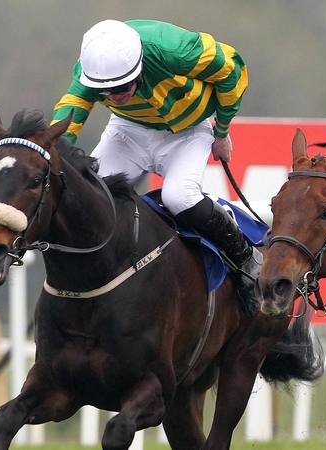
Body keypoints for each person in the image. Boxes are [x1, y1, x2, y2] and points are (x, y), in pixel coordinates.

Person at [52, 19, 261, 315]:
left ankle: (246, 258)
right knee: (91, 198)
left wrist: (222, 129)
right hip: (128, 130)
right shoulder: (91, 70)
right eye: (104, 91)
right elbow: (69, 114)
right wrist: (50, 152)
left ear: (138, 67)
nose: (115, 96)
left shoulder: (174, 49)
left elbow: (231, 68)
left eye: (122, 87)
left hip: (189, 130)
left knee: (180, 198)